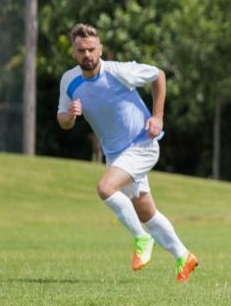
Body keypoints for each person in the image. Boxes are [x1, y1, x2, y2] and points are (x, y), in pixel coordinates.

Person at [57, 23, 198, 281]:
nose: (87, 55)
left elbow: (159, 75)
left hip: (142, 145)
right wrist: (71, 115)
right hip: (117, 156)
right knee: (146, 213)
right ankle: (184, 256)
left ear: (100, 49)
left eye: (91, 49)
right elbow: (62, 121)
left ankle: (141, 239)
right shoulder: (69, 81)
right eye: (81, 50)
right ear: (73, 53)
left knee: (105, 188)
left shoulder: (120, 72)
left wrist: (157, 117)